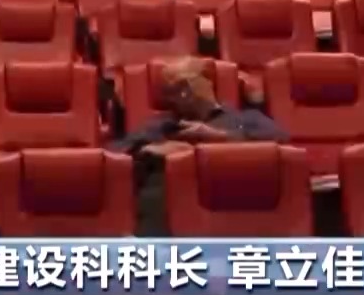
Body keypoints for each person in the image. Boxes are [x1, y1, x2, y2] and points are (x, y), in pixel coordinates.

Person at [112, 57, 283, 236]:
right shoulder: (162, 124)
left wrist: (218, 138)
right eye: (171, 91)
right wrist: (149, 149)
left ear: (207, 82)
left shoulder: (245, 119)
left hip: (231, 195)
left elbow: (279, 146)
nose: (180, 96)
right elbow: (116, 153)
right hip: (171, 204)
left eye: (185, 85)